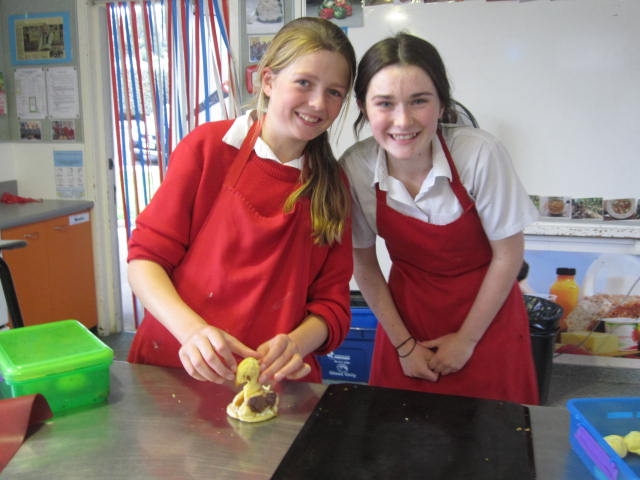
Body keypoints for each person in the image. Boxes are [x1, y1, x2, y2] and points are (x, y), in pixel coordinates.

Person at [127, 17, 356, 386]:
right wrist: (192, 332)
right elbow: (145, 262)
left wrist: (296, 344)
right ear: (268, 81)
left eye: (334, 92)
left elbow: (333, 305)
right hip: (173, 370)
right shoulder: (207, 149)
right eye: (304, 83)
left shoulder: (333, 187)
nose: (318, 103)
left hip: (273, 382)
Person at [339, 33, 539, 404]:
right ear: (363, 107)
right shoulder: (355, 168)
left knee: (494, 432)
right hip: (405, 322)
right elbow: (363, 264)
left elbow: (508, 255)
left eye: (419, 101)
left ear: (441, 103)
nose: (403, 120)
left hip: (487, 318)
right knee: (398, 428)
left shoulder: (479, 154)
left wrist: (466, 340)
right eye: (384, 103)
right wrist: (404, 345)